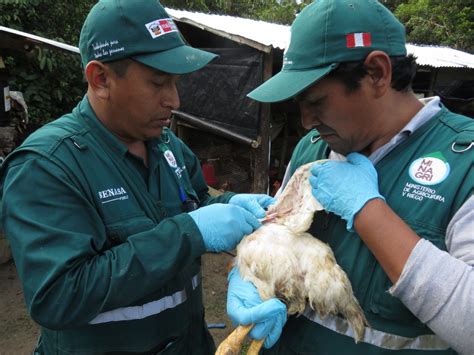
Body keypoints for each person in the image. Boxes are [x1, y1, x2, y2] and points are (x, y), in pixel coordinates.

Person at [0, 1, 280, 354]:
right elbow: (59, 296)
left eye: (176, 83)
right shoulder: (47, 167)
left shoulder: (168, 147)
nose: (174, 100)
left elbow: (195, 204)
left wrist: (230, 207)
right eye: (158, 82)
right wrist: (190, 232)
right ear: (100, 79)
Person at [226, 0, 474, 354]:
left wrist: (368, 211)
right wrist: (249, 275)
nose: (307, 121)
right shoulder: (312, 148)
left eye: (316, 101)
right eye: (300, 104)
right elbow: (275, 241)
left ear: (377, 73)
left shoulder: (466, 161)